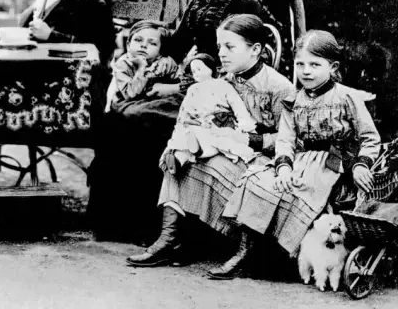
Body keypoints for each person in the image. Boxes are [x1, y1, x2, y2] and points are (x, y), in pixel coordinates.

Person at [126, 14, 294, 274]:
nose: (222, 54)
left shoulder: (278, 87)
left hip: (261, 157)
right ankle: (170, 238)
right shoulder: (222, 79)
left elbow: (289, 139)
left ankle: (239, 249)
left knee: (208, 163)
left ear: (255, 50)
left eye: (230, 47)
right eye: (219, 47)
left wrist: (249, 139)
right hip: (221, 146)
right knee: (176, 155)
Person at [219, 30, 380, 278]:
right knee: (258, 180)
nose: (306, 71)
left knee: (299, 191)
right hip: (302, 159)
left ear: (333, 67)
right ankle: (246, 252)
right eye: (300, 64)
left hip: (335, 164)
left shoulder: (346, 97)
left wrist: (361, 164)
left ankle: (286, 257)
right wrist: (283, 168)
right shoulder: (293, 101)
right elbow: (285, 140)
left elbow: (370, 137)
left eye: (315, 65)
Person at [161, 53, 256, 174]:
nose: (196, 73)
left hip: (220, 123)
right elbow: (184, 111)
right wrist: (182, 123)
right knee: (186, 135)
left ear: (210, 69)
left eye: (199, 69)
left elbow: (237, 105)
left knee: (218, 141)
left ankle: (199, 151)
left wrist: (244, 125)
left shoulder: (222, 84)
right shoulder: (193, 89)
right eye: (194, 71)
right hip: (201, 123)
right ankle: (177, 161)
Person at [106, 20, 179, 114]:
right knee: (133, 112)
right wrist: (141, 67)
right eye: (138, 40)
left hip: (157, 99)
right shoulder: (123, 64)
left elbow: (179, 82)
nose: (144, 45)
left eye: (152, 43)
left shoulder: (166, 62)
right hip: (129, 102)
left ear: (160, 50)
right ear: (128, 45)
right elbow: (129, 95)